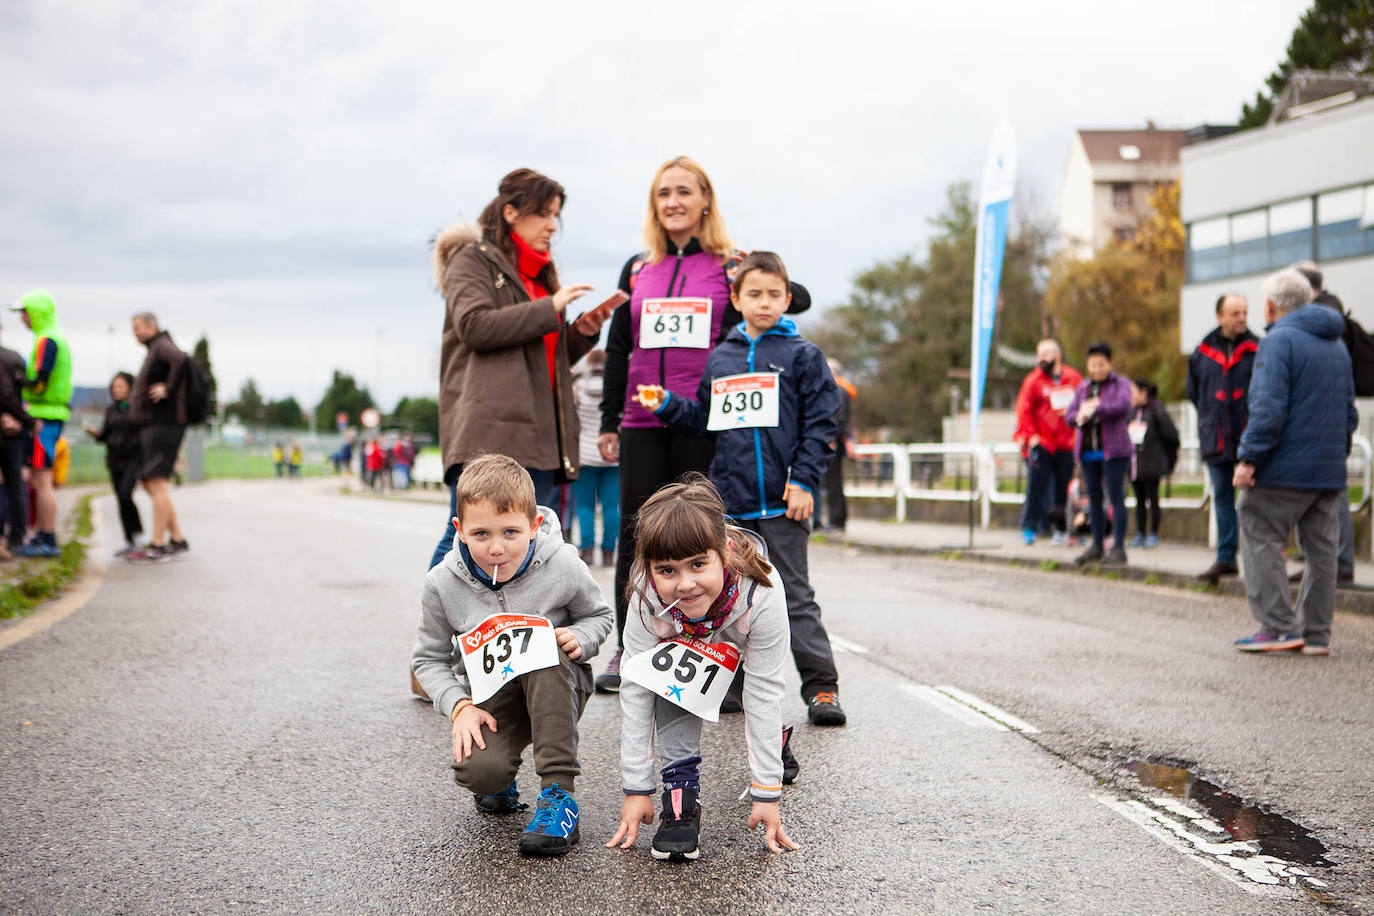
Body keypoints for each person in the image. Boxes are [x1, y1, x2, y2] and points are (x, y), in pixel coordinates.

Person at [596, 156, 811, 693]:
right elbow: (619, 347)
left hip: (701, 418)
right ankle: (631, 646)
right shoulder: (637, 268)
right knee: (636, 536)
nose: (673, 201)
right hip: (642, 419)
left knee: (702, 536)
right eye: (663, 193)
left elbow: (792, 300)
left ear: (705, 199)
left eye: (684, 192)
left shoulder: (727, 264)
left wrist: (743, 268)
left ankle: (706, 649)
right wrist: (608, 419)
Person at [635, 252, 845, 726]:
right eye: (755, 294)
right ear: (736, 298)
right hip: (731, 505)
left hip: (783, 501)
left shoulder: (803, 357)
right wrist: (668, 405)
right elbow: (703, 421)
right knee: (727, 596)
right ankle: (728, 685)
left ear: (788, 299)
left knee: (793, 594)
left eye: (775, 294)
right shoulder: (722, 358)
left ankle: (821, 687)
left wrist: (805, 480)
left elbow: (820, 424)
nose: (765, 302)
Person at [411, 454, 613, 857]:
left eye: (511, 532)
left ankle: (559, 796)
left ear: (535, 525)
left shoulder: (562, 563)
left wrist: (581, 637)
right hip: (491, 697)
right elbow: (427, 660)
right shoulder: (441, 582)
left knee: (548, 648)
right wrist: (459, 708)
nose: (497, 548)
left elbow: (600, 615)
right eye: (481, 534)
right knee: (477, 773)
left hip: (557, 683)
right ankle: (499, 781)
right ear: (460, 530)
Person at [606, 475, 800, 860]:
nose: (685, 584)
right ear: (648, 568)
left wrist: (767, 790)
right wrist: (636, 789)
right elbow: (637, 688)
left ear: (725, 552)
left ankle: (773, 744)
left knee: (755, 698)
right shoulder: (645, 594)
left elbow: (763, 689)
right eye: (667, 570)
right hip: (682, 639)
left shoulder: (763, 591)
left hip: (738, 630)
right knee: (671, 680)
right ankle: (680, 795)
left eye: (698, 564)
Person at [428, 168, 609, 571]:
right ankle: (437, 633)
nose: (552, 226)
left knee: (527, 547)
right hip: (489, 431)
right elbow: (474, 327)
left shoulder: (540, 274)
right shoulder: (470, 260)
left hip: (540, 434)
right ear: (510, 212)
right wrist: (550, 308)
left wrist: (579, 333)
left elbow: (540, 355)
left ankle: (505, 631)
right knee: (465, 541)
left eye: (556, 215)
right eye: (544, 213)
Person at [1232, 269, 1356, 655]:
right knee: (1322, 552)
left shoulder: (1278, 340)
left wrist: (1248, 458)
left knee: (1257, 526)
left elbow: (1267, 410)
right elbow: (1349, 413)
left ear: (1269, 306)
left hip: (1285, 469)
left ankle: (1278, 626)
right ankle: (1316, 634)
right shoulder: (1337, 345)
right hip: (1329, 470)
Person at [1187, 293, 1258, 584]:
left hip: (1249, 438)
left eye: (1244, 312)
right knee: (1222, 500)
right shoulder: (1202, 352)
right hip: (1215, 438)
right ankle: (1226, 558)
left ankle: (1260, 562)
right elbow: (1195, 393)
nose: (1241, 318)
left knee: (1256, 502)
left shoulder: (1258, 349)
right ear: (1219, 317)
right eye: (1234, 313)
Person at [1293, 261, 1356, 585]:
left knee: (1334, 494)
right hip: (1332, 418)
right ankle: (1326, 563)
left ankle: (1339, 563)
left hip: (1324, 419)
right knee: (1326, 494)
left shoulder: (1323, 318)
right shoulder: (1332, 315)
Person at [9, 290, 72, 558]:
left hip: (42, 417)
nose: (22, 318)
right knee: (38, 478)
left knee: (41, 479)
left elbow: (40, 381)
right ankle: (44, 536)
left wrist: (18, 380)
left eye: (24, 312)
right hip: (46, 414)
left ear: (34, 313)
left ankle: (47, 539)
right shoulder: (49, 337)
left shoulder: (47, 340)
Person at [126, 312, 190, 564]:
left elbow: (181, 360)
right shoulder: (156, 347)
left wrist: (168, 388)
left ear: (151, 326)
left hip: (164, 424)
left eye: (138, 328)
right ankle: (176, 538)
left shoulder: (163, 345)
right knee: (152, 482)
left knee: (157, 481)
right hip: (157, 425)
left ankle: (157, 544)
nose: (135, 333)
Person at [1066, 342, 1132, 567]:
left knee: (1116, 498)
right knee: (1093, 500)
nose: (1097, 369)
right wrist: (1080, 415)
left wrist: (1097, 408)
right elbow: (1069, 414)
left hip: (1114, 452)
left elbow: (1123, 407)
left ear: (1110, 363)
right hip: (1088, 452)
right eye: (1092, 365)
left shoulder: (1120, 384)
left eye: (1101, 364)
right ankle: (1096, 545)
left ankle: (1118, 548)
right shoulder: (1083, 388)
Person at [1012, 339, 1084, 546]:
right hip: (1042, 442)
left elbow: (1082, 405)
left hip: (1066, 443)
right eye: (1039, 355)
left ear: (1057, 356)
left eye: (1045, 355)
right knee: (1036, 486)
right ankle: (1029, 527)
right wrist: (1031, 436)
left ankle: (1062, 529)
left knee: (1065, 488)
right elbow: (1023, 411)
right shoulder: (1033, 381)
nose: (1041, 359)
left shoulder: (1073, 378)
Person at [83, 373, 144, 556]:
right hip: (114, 461)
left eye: (121, 386)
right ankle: (128, 540)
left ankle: (138, 535)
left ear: (130, 388)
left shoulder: (137, 409)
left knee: (126, 495)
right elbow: (105, 436)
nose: (116, 390)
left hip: (133, 460)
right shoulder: (111, 410)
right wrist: (95, 434)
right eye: (114, 387)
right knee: (120, 499)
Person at [572, 350, 619, 567]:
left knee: (585, 506)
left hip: (584, 455)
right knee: (611, 507)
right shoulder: (615, 388)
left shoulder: (578, 387)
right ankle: (609, 551)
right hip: (612, 454)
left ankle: (587, 549)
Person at [1127, 379, 1180, 548]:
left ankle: (1153, 534)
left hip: (1152, 465)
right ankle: (1140, 533)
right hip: (1135, 465)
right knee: (1139, 501)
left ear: (1143, 392)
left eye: (1133, 392)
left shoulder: (1157, 410)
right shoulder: (1131, 412)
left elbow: (1171, 436)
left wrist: (1165, 460)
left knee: (1153, 499)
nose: (1131, 396)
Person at [0, 322, 29, 555]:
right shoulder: (15, 358)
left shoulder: (10, 358)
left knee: (9, 483)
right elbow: (25, 393)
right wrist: (23, 419)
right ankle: (17, 538)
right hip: (15, 428)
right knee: (15, 483)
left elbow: (8, 394)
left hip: (12, 426)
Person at [819, 359, 856, 534]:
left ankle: (837, 521)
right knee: (834, 482)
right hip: (837, 441)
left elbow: (837, 418)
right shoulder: (843, 389)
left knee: (833, 483)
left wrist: (830, 439)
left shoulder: (837, 391)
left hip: (833, 443)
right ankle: (837, 520)